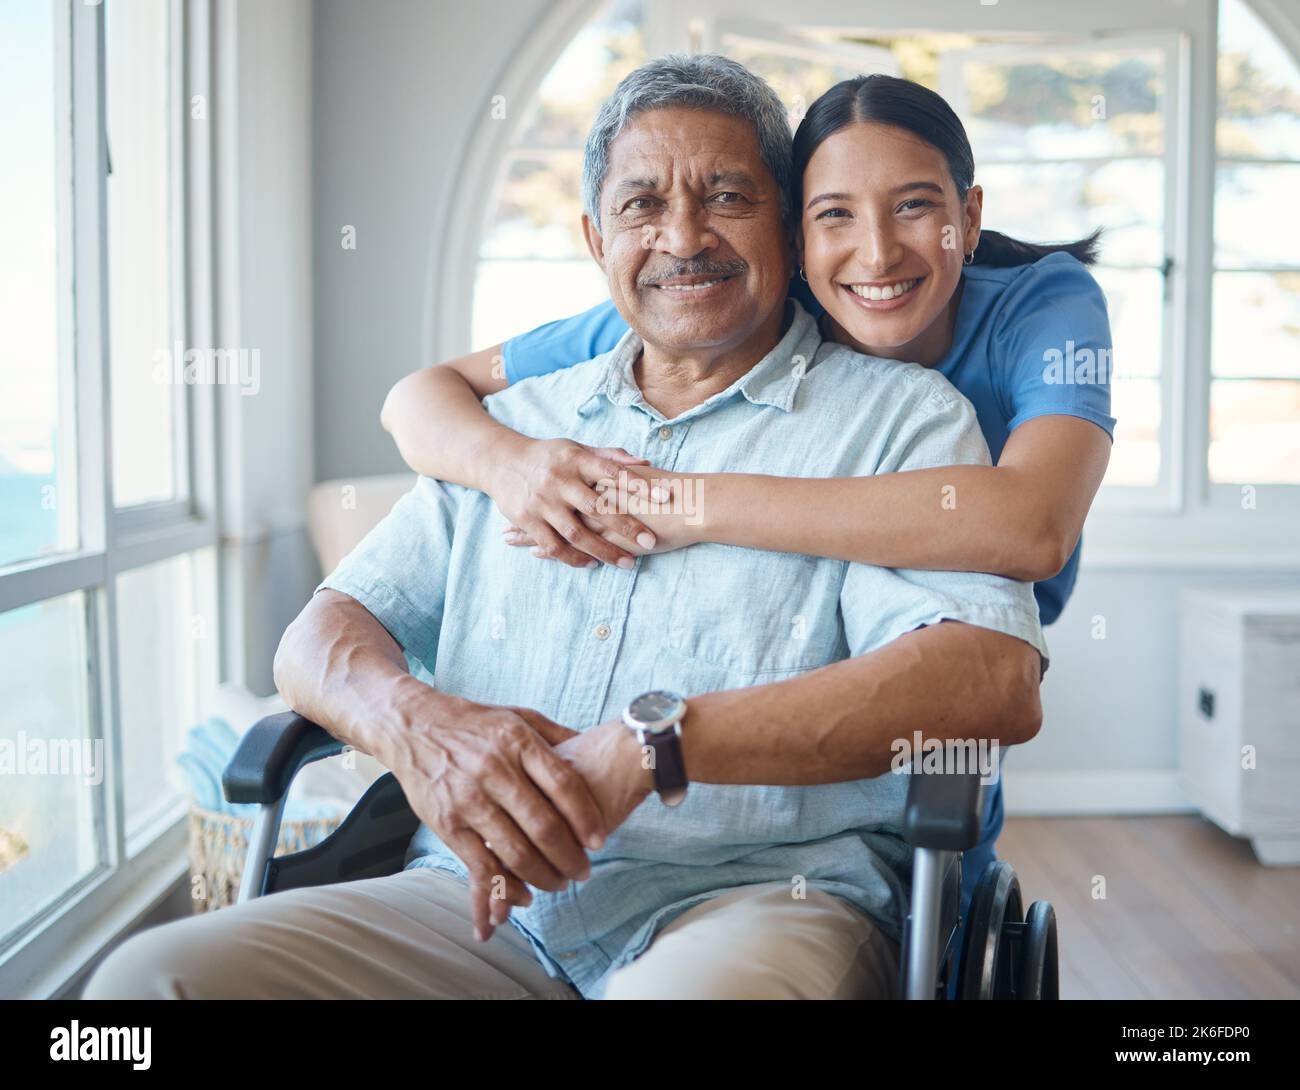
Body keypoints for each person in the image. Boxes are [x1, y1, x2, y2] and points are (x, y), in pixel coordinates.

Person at [85, 55, 1046, 1001]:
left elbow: (988, 681)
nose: (683, 237)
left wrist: (658, 744)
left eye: (726, 197)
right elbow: (321, 636)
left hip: (761, 896)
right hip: (473, 900)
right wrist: (415, 725)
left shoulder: (900, 420)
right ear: (596, 238)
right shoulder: (514, 429)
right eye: (641, 206)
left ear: (788, 230)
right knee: (146, 978)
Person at [380, 72, 1115, 942]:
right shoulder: (717, 293)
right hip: (582, 868)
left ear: (970, 210)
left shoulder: (1046, 305)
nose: (877, 255)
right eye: (835, 214)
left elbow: (1032, 526)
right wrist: (513, 467)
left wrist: (687, 504)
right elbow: (419, 397)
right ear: (796, 233)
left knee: (939, 877)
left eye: (915, 206)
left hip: (960, 647)